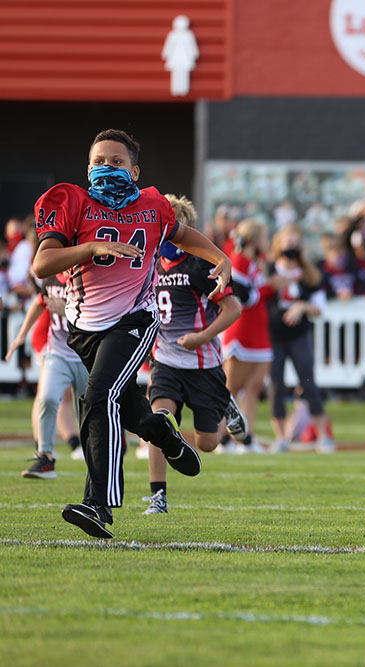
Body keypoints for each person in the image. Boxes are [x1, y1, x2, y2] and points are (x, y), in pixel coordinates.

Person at [32, 128, 231, 538]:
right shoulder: (72, 202)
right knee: (128, 408)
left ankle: (98, 504)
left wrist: (218, 256)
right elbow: (43, 264)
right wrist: (90, 249)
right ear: (87, 168)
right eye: (99, 161)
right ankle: (164, 435)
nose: (107, 167)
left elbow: (180, 234)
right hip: (84, 327)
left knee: (98, 395)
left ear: (135, 171)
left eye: (117, 161)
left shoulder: (153, 205)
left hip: (135, 321)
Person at [141, 194, 245, 514]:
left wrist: (202, 337)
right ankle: (158, 496)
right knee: (157, 422)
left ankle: (224, 401)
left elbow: (233, 309)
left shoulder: (199, 265)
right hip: (166, 360)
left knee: (207, 444)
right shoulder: (149, 262)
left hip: (203, 363)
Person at [6, 270, 87, 477]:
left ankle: (99, 456)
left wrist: (66, 310)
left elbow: (101, 311)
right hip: (57, 352)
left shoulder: (87, 276)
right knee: (47, 398)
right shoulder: (51, 278)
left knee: (92, 407)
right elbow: (39, 302)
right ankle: (45, 457)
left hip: (86, 353)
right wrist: (22, 335)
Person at [267, 225, 335, 453]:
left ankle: (322, 436)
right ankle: (281, 437)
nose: (291, 248)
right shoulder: (269, 270)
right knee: (276, 385)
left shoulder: (309, 273)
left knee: (308, 382)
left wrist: (302, 306)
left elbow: (319, 307)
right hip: (273, 335)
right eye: (288, 243)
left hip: (299, 335)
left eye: (295, 244)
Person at [219, 219, 280, 453]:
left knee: (254, 386)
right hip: (241, 331)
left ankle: (246, 437)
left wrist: (272, 285)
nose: (268, 241)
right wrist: (270, 287)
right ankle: (223, 439)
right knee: (231, 388)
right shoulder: (239, 260)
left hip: (259, 332)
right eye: (265, 237)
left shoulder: (258, 262)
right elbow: (241, 297)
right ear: (254, 239)